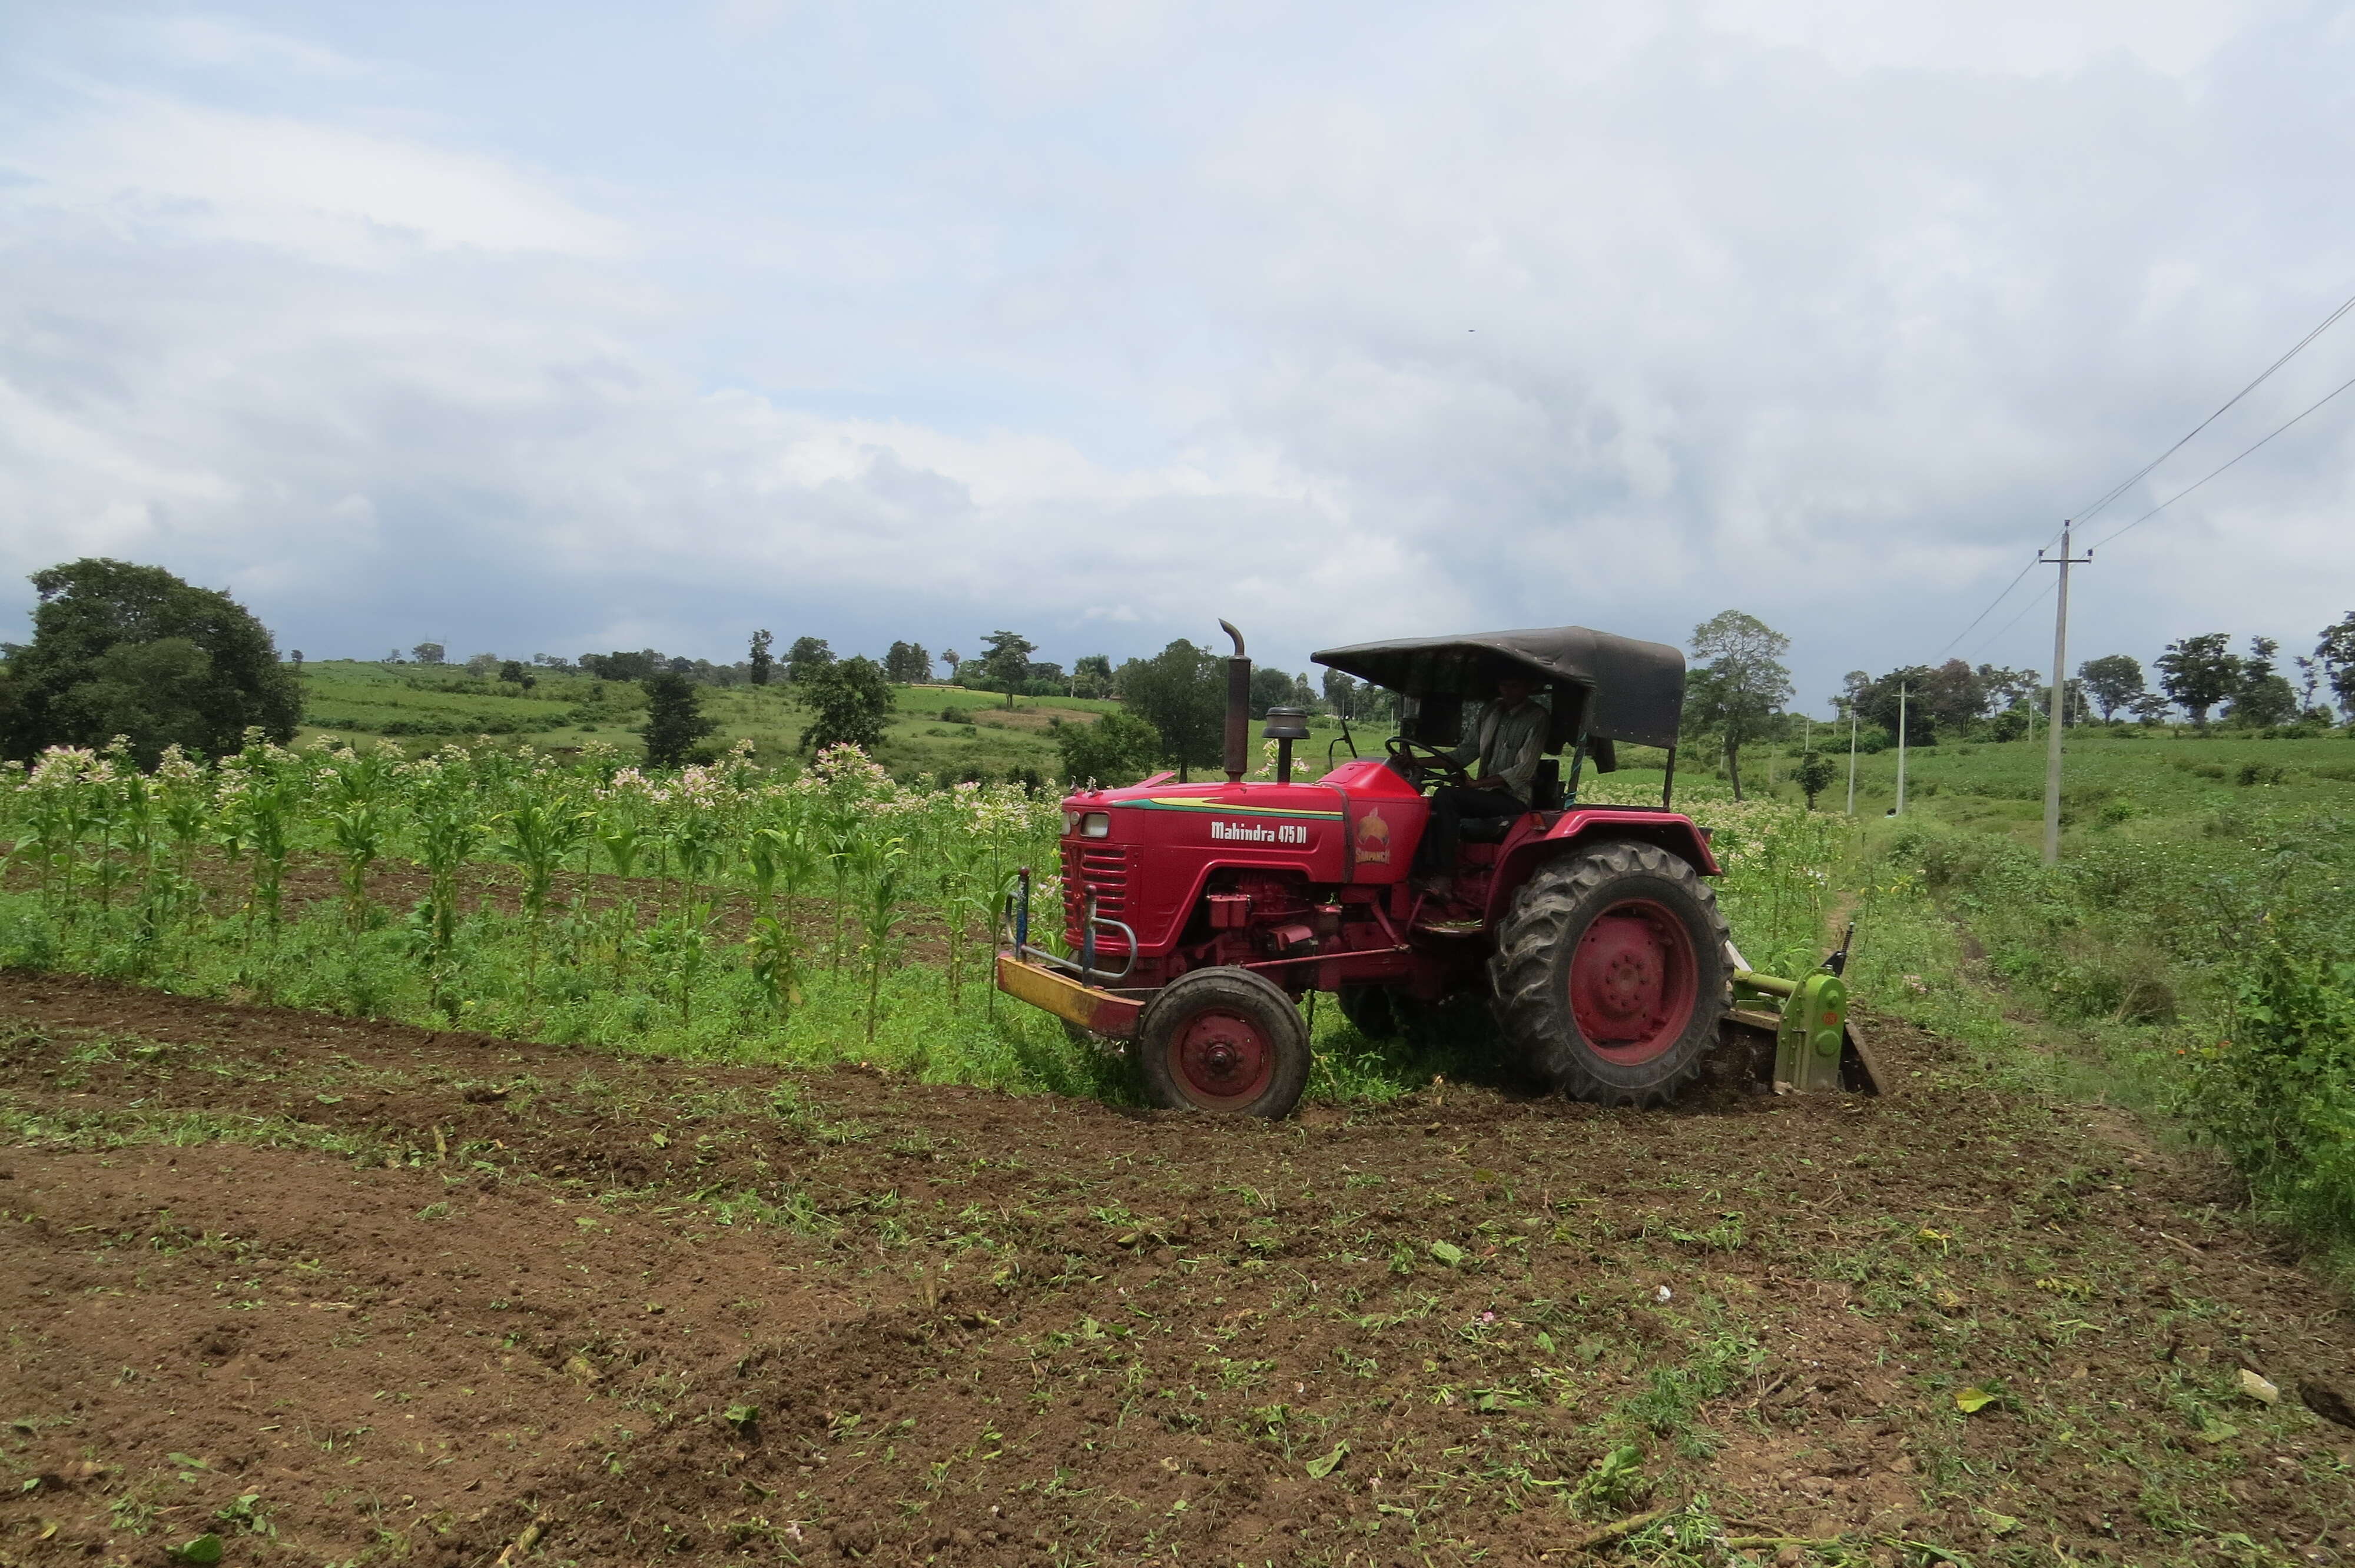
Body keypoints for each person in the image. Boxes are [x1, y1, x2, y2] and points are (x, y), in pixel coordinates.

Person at [1412, 675, 1551, 879]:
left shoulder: (1537, 717)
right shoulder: (1490, 712)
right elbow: (1463, 754)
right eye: (1504, 684)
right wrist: (1416, 762)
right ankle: (1418, 873)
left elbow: (1524, 770)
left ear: (1529, 688)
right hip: (1487, 795)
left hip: (1513, 798)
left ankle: (1444, 875)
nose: (1507, 691)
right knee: (1426, 808)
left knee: (1447, 796)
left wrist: (1476, 784)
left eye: (1515, 685)